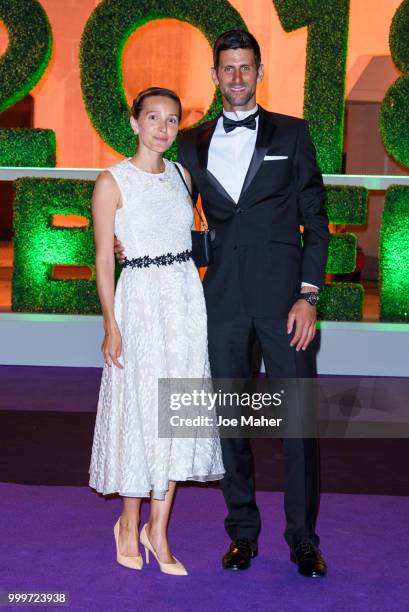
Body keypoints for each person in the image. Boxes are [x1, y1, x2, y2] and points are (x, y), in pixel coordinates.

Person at [116, 31, 329, 578]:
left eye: (245, 67)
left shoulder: (295, 134)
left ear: (260, 71)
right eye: (227, 68)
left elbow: (317, 221)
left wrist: (309, 295)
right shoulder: (189, 143)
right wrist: (128, 238)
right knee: (231, 423)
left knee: (298, 424)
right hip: (219, 305)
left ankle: (304, 539)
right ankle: (243, 534)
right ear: (215, 76)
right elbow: (161, 204)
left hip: (287, 306)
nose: (236, 76)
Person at [89, 87, 224, 577]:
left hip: (185, 300)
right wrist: (110, 321)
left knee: (176, 411)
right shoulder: (111, 181)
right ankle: (128, 523)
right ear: (134, 123)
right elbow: (105, 256)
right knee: (140, 408)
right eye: (153, 118)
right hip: (140, 300)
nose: (163, 128)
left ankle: (158, 530)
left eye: (171, 120)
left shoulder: (184, 175)